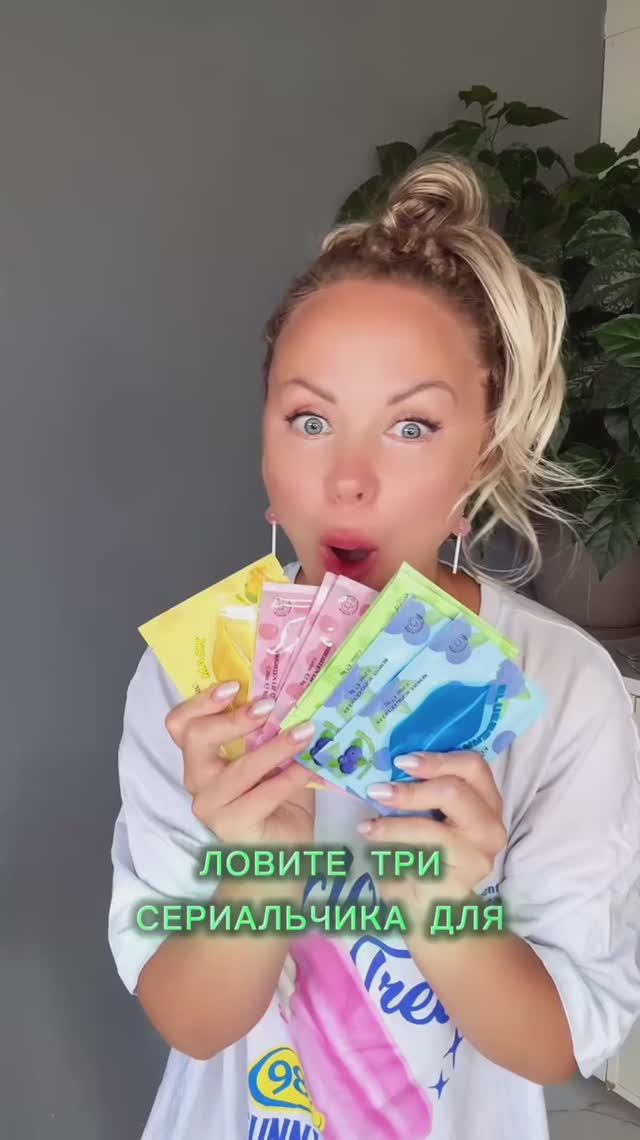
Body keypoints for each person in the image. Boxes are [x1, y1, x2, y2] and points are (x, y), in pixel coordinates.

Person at [108, 155, 640, 1140]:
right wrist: (259, 871)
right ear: (266, 444)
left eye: (411, 425)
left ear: (483, 453)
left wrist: (448, 909)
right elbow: (191, 1022)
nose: (347, 479)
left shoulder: (563, 688)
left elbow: (556, 1047)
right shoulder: (194, 685)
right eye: (310, 419)